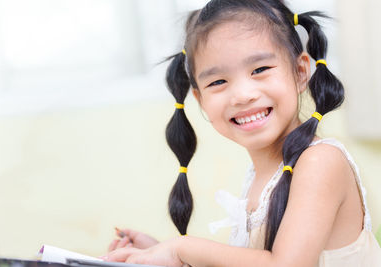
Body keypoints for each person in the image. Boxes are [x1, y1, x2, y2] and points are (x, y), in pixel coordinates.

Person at [103, 0, 381, 266]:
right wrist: (161, 253)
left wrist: (181, 248)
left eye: (260, 69)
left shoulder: (320, 162)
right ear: (200, 100)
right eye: (218, 81)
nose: (242, 95)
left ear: (300, 72)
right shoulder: (260, 175)